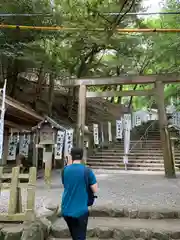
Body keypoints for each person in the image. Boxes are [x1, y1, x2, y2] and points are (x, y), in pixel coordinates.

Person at [61, 147, 98, 240]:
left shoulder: (65, 170)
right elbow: (95, 189)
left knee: (75, 235)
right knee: (80, 236)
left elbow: (66, 185)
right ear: (82, 156)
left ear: (71, 156)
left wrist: (68, 164)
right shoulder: (87, 171)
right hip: (81, 210)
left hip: (66, 209)